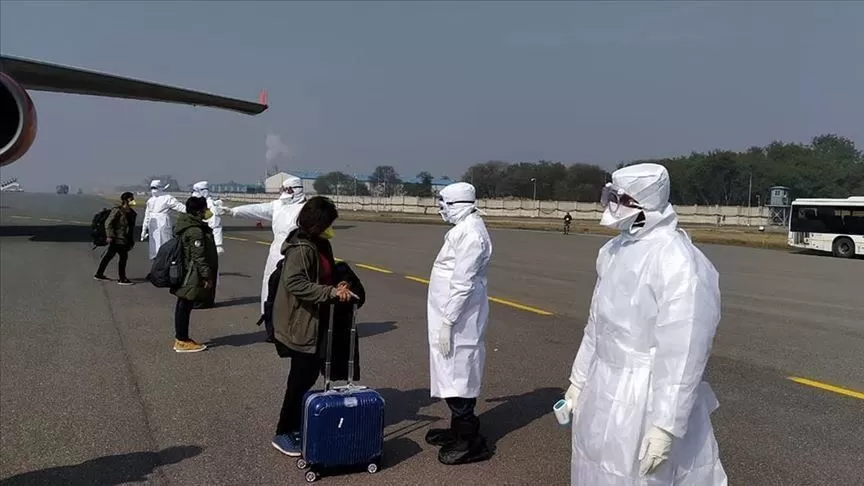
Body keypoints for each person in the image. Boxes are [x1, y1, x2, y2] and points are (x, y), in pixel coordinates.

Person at [564, 163, 727, 485]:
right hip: (603, 383)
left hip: (647, 395)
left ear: (645, 203)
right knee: (594, 469)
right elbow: (596, 327)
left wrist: (666, 425)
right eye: (610, 196)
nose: (613, 207)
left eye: (621, 199)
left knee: (641, 475)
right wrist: (578, 381)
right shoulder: (613, 251)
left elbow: (684, 352)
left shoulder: (679, 261)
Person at [269, 196, 352, 456]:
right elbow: (295, 283)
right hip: (301, 322)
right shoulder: (301, 249)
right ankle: (283, 431)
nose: (331, 228)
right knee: (300, 379)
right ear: (318, 223)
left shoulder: (319, 244)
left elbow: (323, 275)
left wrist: (339, 285)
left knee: (308, 374)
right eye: (328, 223)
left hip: (316, 320)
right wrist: (329, 293)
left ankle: (299, 422)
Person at [424, 182, 494, 466]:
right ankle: (457, 430)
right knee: (450, 372)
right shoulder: (462, 230)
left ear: (459, 204)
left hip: (459, 320)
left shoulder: (471, 235)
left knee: (459, 374)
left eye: (445, 205)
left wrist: (448, 322)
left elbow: (463, 284)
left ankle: (471, 440)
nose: (442, 210)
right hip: (449, 317)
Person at [221, 175, 306, 316]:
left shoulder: (306, 209)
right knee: (270, 286)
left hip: (297, 253)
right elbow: (257, 209)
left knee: (293, 288)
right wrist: (233, 211)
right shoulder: (279, 205)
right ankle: (269, 319)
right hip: (276, 252)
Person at [169, 196, 219, 353]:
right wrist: (207, 276)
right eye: (205, 209)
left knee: (183, 304)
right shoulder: (195, 231)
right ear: (199, 211)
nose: (207, 212)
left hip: (186, 269)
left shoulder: (186, 225)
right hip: (192, 273)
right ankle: (182, 340)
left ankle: (181, 338)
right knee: (185, 305)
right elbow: (199, 257)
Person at [191, 181, 224, 308]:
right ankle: (198, 298)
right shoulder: (198, 203)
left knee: (208, 271)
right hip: (200, 240)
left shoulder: (209, 205)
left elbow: (216, 226)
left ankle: (205, 300)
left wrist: (219, 244)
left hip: (209, 242)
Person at [94, 191, 137, 285]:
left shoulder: (132, 212)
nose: (133, 200)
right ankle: (122, 278)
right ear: (125, 200)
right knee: (123, 257)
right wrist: (109, 235)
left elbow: (131, 228)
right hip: (117, 238)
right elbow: (108, 223)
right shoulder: (117, 210)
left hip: (124, 238)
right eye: (131, 198)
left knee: (109, 256)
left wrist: (131, 240)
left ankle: (99, 274)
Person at [141, 180, 186, 261]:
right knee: (154, 248)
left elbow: (180, 207)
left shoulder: (167, 198)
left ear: (160, 188)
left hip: (163, 223)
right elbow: (147, 216)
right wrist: (144, 229)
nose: (153, 190)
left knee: (165, 245)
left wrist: (192, 209)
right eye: (152, 188)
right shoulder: (150, 200)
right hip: (153, 226)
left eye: (155, 188)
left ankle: (167, 263)